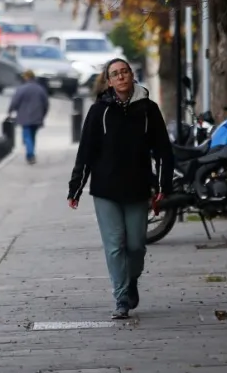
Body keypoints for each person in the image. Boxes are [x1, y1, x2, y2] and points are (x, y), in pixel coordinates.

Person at [67, 58, 174, 319]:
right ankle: (121, 297)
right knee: (115, 245)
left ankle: (132, 279)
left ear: (132, 75)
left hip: (137, 188)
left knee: (136, 245)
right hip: (105, 190)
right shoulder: (98, 111)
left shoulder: (148, 110)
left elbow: (163, 151)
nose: (121, 77)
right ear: (110, 81)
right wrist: (76, 188)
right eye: (115, 74)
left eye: (124, 72)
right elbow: (86, 152)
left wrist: (162, 185)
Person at [7, 70, 50, 164]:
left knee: (26, 136)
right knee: (32, 136)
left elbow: (15, 101)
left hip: (25, 117)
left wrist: (10, 111)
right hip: (37, 117)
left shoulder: (22, 89)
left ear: (26, 77)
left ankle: (30, 155)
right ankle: (31, 153)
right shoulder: (40, 89)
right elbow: (46, 104)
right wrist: (43, 115)